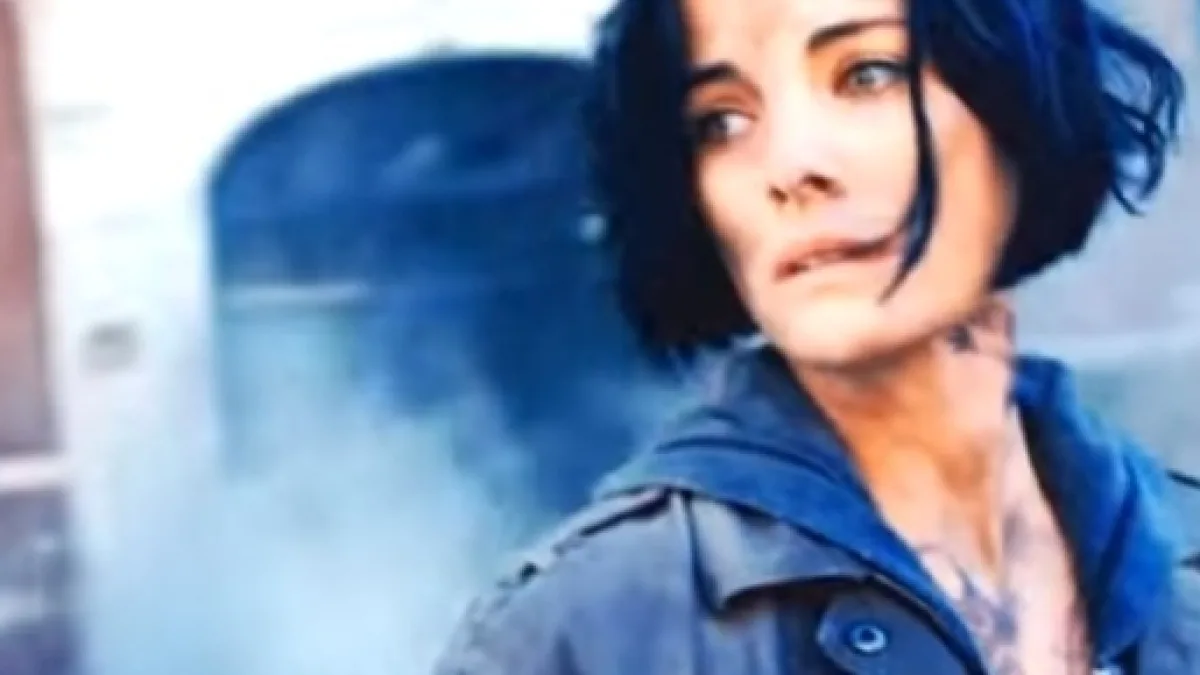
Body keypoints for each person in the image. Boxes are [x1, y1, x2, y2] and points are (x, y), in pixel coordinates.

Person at [432, 0, 1200, 672]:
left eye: (866, 75)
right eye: (721, 121)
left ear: (1015, 100)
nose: (792, 166)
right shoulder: (582, 633)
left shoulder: (1175, 555)